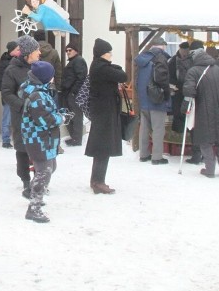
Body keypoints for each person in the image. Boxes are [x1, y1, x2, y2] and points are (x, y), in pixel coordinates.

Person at [18, 61, 63, 223]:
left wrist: (59, 113)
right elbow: (45, 120)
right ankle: (34, 208)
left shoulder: (42, 92)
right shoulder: (37, 96)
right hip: (38, 139)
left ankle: (34, 192)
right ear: (45, 77)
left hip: (46, 139)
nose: (53, 79)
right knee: (44, 171)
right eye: (51, 76)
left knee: (50, 167)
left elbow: (47, 112)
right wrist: (61, 118)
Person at [182, 41, 219, 178]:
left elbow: (189, 91)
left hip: (203, 109)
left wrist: (184, 108)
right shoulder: (218, 69)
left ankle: (209, 170)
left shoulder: (193, 71)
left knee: (205, 140)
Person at [85, 38, 127, 194]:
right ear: (104, 54)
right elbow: (123, 76)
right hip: (104, 111)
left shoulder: (99, 66)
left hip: (102, 110)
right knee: (103, 146)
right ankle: (98, 181)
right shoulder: (101, 68)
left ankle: (96, 180)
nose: (111, 56)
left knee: (103, 145)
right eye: (109, 53)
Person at [2, 34, 41, 198]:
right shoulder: (12, 70)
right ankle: (26, 181)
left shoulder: (40, 67)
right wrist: (22, 105)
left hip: (39, 117)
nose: (39, 52)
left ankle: (39, 181)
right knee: (23, 149)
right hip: (22, 117)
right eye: (36, 50)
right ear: (28, 53)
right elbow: (6, 93)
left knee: (39, 149)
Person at [134, 36, 170, 164]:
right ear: (162, 46)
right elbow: (161, 79)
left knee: (144, 127)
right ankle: (157, 157)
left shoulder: (142, 59)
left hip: (143, 98)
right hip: (156, 98)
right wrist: (167, 92)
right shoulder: (160, 58)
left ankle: (143, 154)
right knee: (158, 129)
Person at [60, 41, 88, 146]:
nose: (67, 52)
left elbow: (81, 78)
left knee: (76, 116)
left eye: (70, 50)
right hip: (69, 93)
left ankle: (77, 139)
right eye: (66, 50)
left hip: (74, 94)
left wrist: (73, 92)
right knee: (70, 115)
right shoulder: (73, 61)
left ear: (76, 50)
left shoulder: (78, 61)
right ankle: (74, 138)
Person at [0, 41, 20, 148]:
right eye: (17, 49)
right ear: (12, 51)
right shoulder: (4, 64)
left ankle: (15, 139)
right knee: (7, 118)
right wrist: (6, 91)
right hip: (9, 95)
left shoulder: (18, 62)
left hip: (17, 95)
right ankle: (5, 140)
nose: (19, 51)